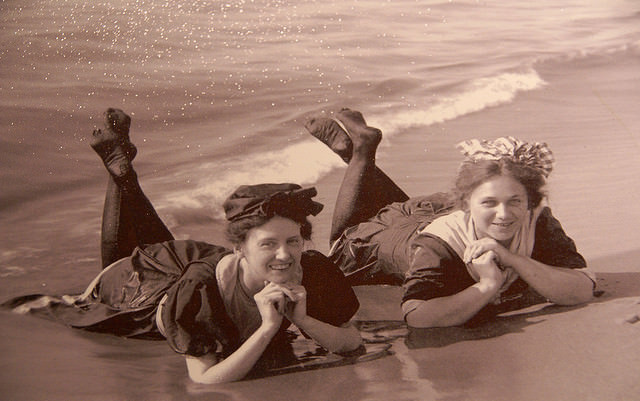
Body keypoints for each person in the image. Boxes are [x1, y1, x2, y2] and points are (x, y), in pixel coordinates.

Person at [5, 108, 362, 384]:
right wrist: (268, 328)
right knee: (117, 270)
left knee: (159, 245)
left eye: (293, 241)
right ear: (239, 247)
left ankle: (123, 171)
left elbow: (351, 342)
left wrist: (304, 321)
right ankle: (120, 175)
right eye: (268, 244)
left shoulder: (312, 270)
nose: (285, 255)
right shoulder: (201, 291)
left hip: (190, 259)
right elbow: (206, 379)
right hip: (146, 293)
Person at [305, 108, 596, 328]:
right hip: (402, 235)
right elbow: (417, 315)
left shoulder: (537, 218)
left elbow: (582, 287)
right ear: (466, 203)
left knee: (400, 205)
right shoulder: (436, 244)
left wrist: (515, 260)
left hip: (435, 209)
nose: (505, 215)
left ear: (531, 201)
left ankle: (357, 152)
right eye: (490, 202)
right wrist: (487, 286)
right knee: (347, 238)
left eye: (515, 201)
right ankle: (360, 155)